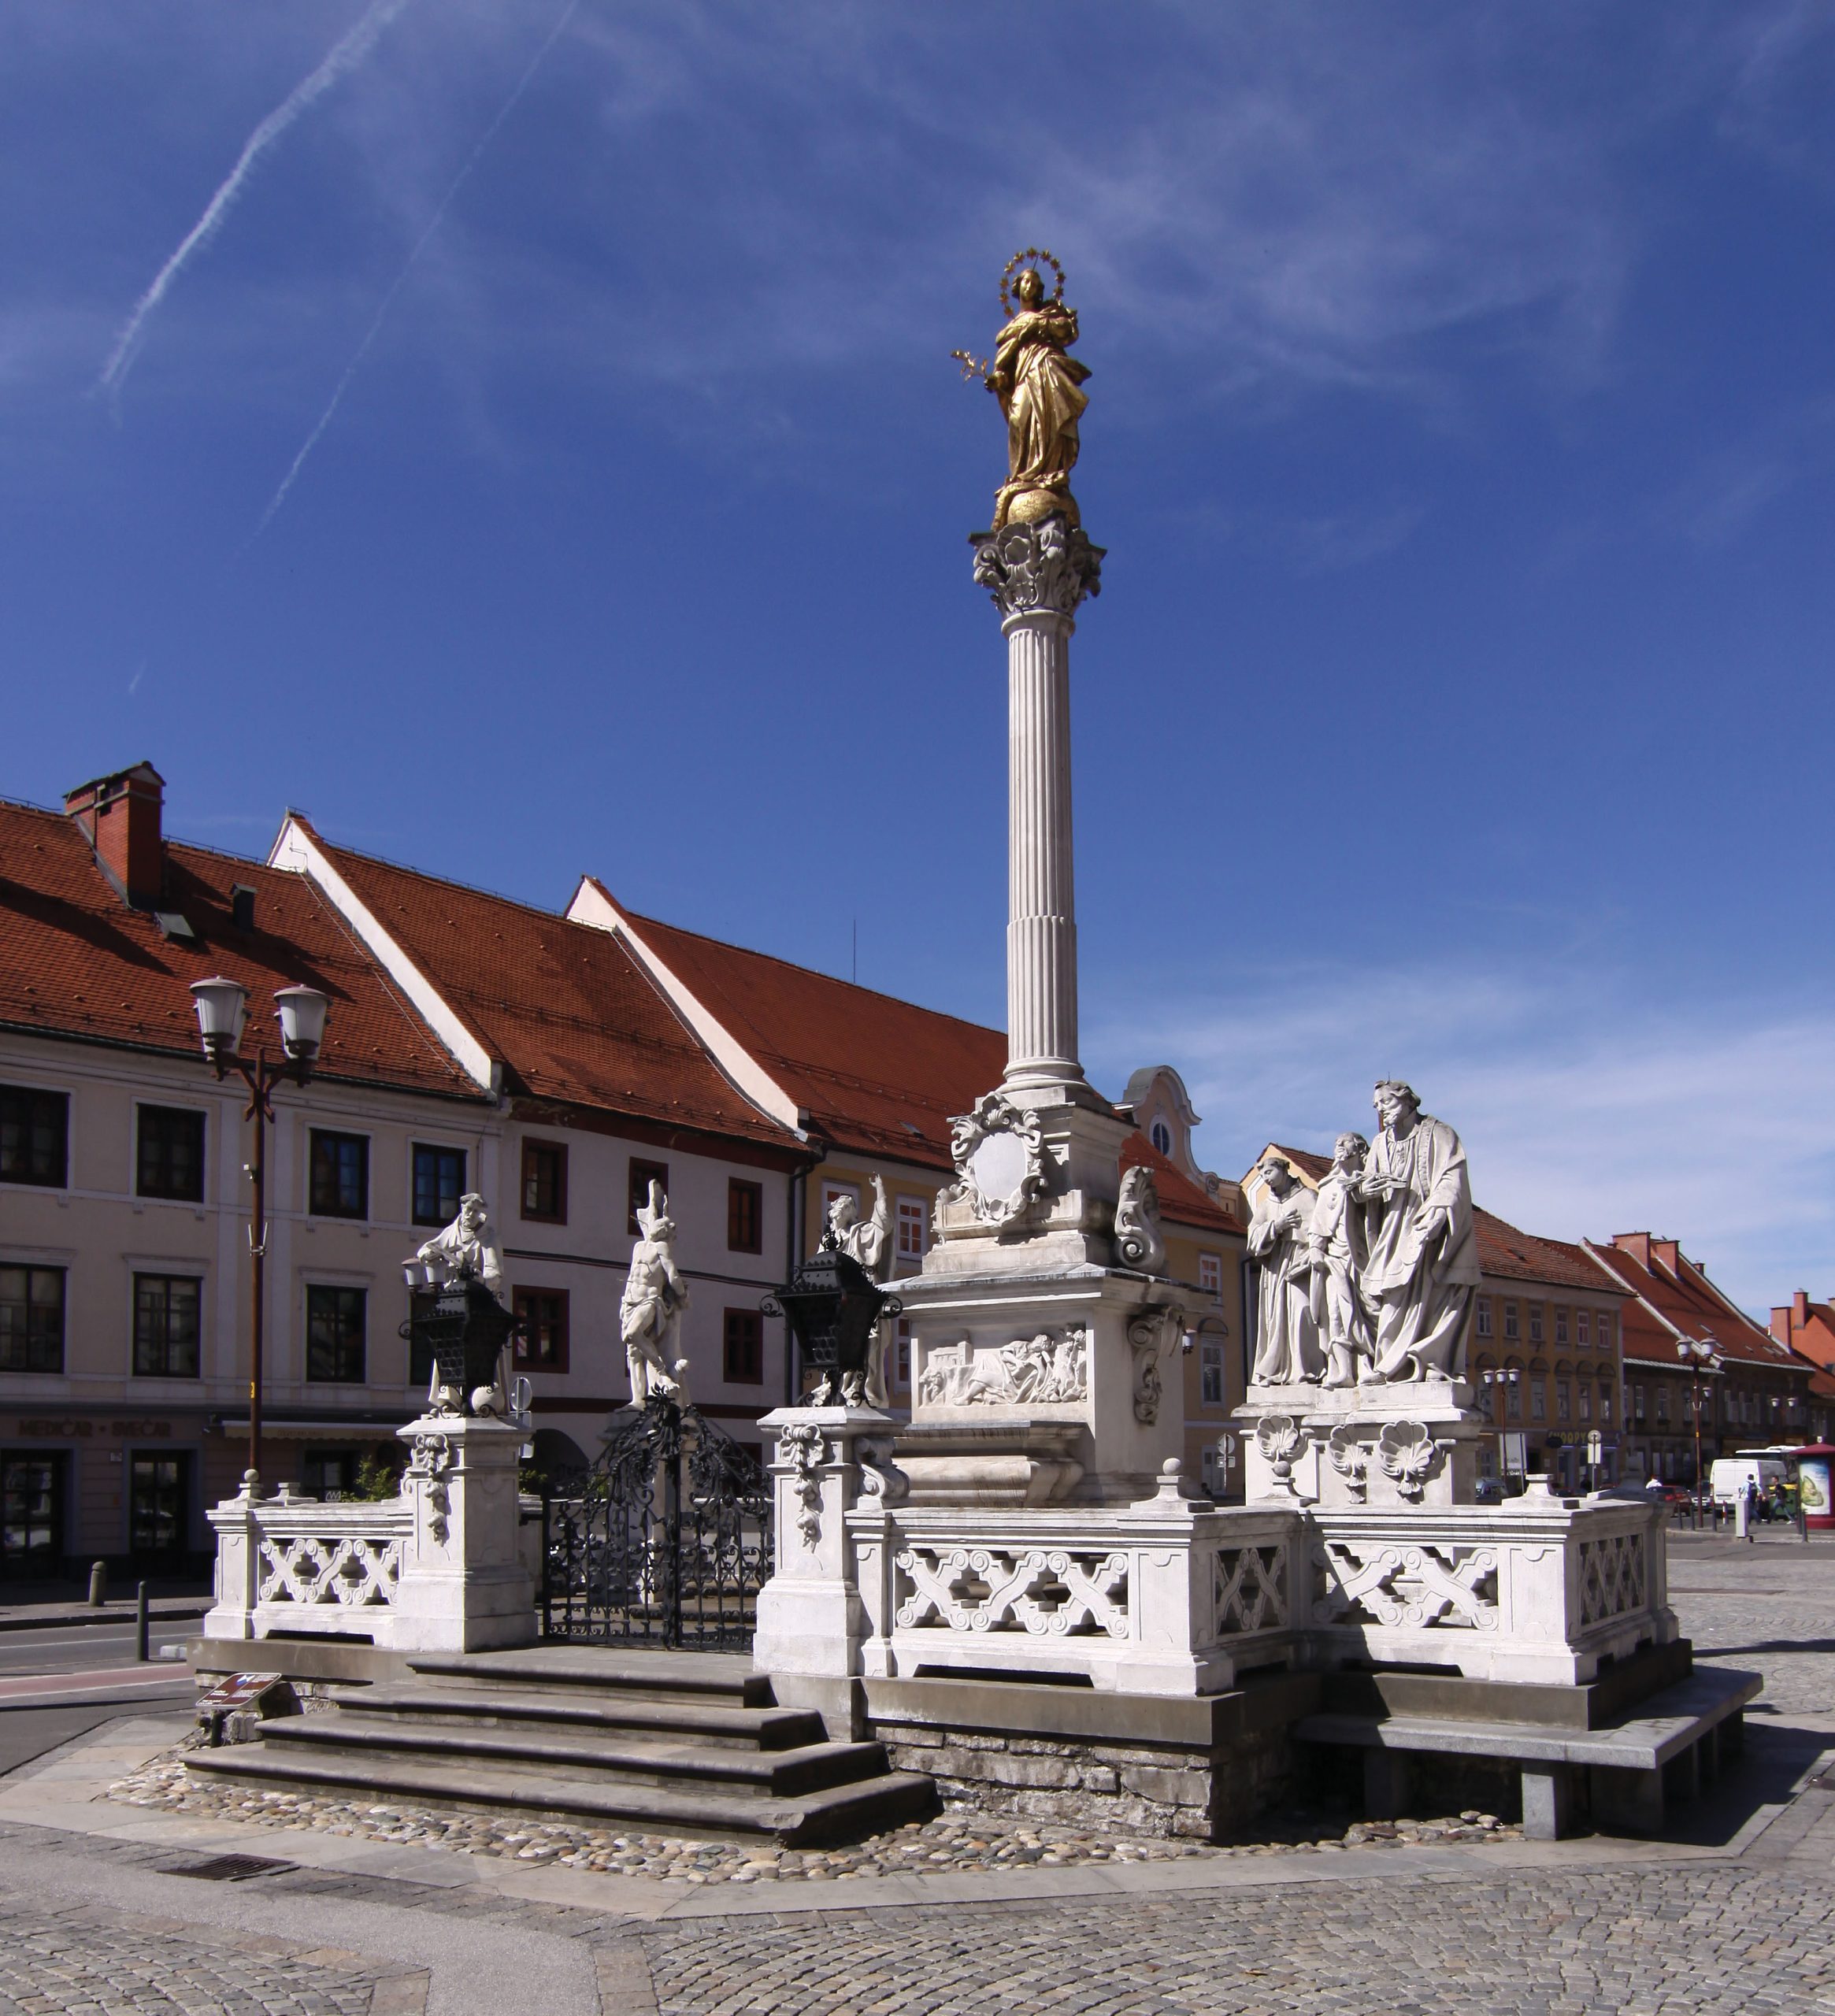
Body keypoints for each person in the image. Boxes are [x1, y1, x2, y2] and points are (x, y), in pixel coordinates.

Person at [1355, 1081, 1479, 1380]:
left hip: (1427, 1223)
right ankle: (1390, 1365)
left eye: (1385, 1102)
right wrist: (1366, 1190)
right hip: (1393, 1227)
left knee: (1429, 1293)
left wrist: (1437, 1213)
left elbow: (1453, 1177)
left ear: (1408, 1101)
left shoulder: (1439, 1133)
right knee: (1392, 1295)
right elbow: (1363, 1187)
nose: (1381, 1110)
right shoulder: (1380, 1143)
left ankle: (1425, 1361)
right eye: (1376, 1106)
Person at [984, 264, 1091, 528]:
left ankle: (1050, 471)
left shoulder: (1048, 314)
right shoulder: (1011, 329)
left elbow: (1067, 331)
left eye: (1035, 283)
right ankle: (1024, 475)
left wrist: (1039, 324)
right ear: (1017, 288)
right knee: (1019, 419)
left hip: (1046, 369)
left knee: (1051, 422)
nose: (1030, 286)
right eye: (1026, 282)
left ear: (1040, 289)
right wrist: (998, 380)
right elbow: (1005, 367)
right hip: (1024, 379)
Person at [1247, 1156, 1321, 1385]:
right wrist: (1276, 1227)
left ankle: (1306, 1369)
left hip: (1303, 1265)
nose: (1266, 1179)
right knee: (1276, 1320)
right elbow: (1251, 1240)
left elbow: (1321, 1231)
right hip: (1276, 1270)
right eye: (1262, 1175)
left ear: (1283, 1170)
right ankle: (1277, 1370)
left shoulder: (1308, 1197)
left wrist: (1309, 1256)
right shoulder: (1266, 1205)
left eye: (1269, 1172)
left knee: (1303, 1309)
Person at [1309, 1132, 1373, 1388]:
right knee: (1335, 1315)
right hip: (1335, 1260)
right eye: (1336, 1143)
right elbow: (1318, 1225)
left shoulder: (1369, 1182)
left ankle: (1368, 1366)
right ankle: (1342, 1371)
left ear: (1360, 1149)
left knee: (1367, 1312)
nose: (1339, 1146)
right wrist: (1316, 1248)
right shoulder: (1328, 1187)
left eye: (1345, 1142)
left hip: (1366, 1260)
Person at [621, 1180, 689, 1406]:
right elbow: (632, 1275)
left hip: (650, 1301)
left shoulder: (662, 1247)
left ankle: (661, 1372)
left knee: (633, 1334)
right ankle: (637, 1400)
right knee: (633, 1353)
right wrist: (624, 1302)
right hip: (631, 1301)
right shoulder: (639, 1247)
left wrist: (682, 1295)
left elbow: (673, 1276)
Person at [411, 1193, 502, 1297]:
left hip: (476, 1292)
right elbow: (426, 1249)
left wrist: (482, 1279)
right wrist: (429, 1255)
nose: (471, 1214)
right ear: (462, 1208)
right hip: (452, 1289)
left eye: (475, 1211)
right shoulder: (451, 1231)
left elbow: (494, 1271)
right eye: (469, 1209)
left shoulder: (489, 1237)